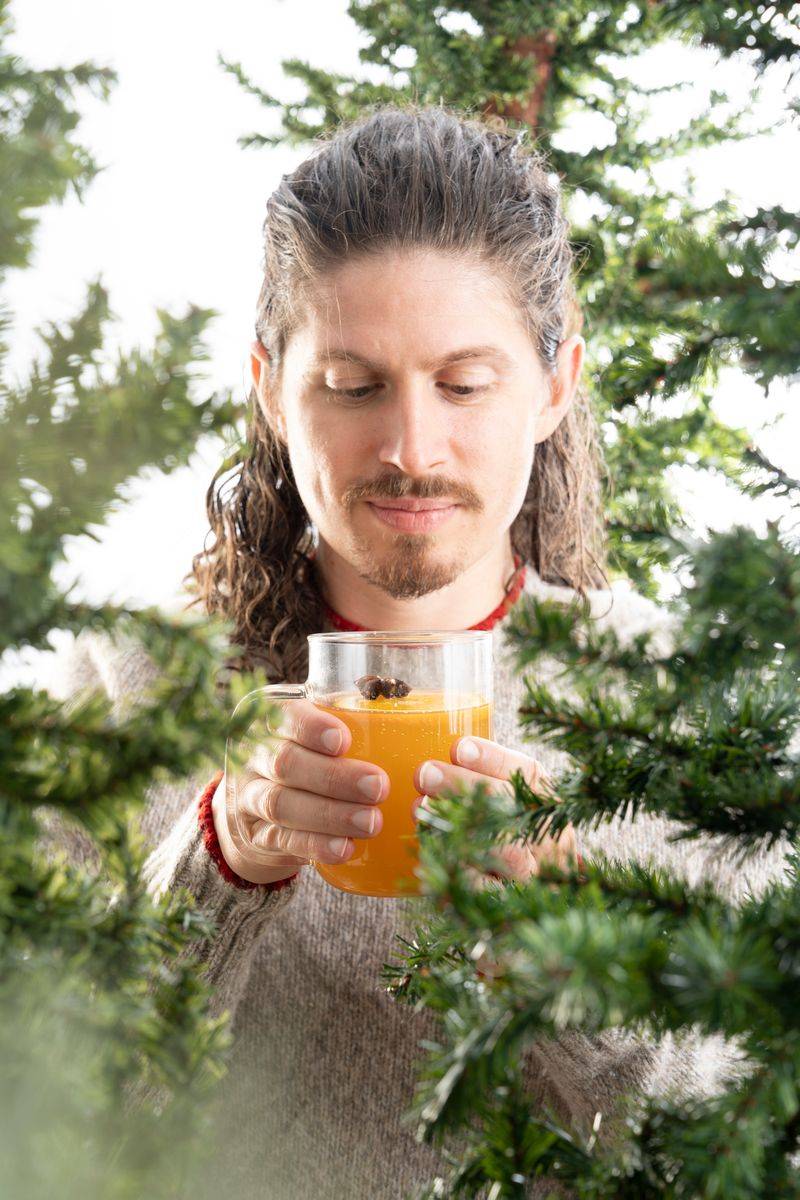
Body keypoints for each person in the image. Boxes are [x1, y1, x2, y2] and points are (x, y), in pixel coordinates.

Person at [51, 104, 789, 1200]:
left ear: (553, 385)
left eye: (463, 383)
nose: (408, 448)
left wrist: (576, 972)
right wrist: (216, 863)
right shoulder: (124, 690)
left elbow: (746, 1157)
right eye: (352, 386)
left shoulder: (685, 711)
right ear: (270, 386)